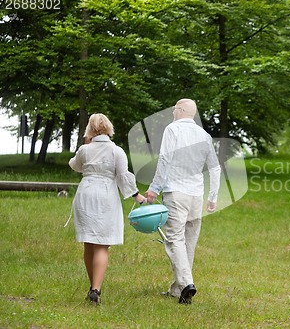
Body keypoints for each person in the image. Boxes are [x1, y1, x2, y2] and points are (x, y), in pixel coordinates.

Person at [146, 98, 221, 304]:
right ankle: (178, 289)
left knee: (174, 239)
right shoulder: (204, 135)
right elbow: (215, 168)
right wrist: (212, 197)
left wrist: (154, 188)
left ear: (180, 110)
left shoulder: (172, 130)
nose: (172, 113)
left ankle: (187, 283)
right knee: (189, 241)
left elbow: (165, 159)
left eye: (174, 110)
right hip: (196, 195)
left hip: (176, 193)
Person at [69, 113, 146, 305]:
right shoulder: (116, 151)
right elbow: (122, 176)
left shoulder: (84, 150)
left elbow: (75, 166)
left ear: (90, 130)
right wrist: (137, 196)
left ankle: (91, 287)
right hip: (105, 196)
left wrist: (87, 143)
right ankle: (96, 288)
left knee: (89, 242)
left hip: (86, 194)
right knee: (102, 244)